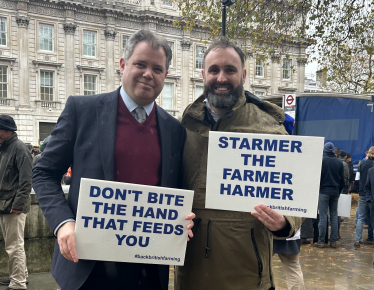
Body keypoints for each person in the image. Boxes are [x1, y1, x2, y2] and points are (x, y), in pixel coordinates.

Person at [32, 29, 195, 290]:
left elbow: (175, 189)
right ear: (122, 65)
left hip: (149, 269)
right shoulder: (81, 110)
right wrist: (64, 224)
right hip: (89, 268)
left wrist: (181, 219)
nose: (148, 74)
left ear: (165, 74)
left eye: (157, 68)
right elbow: (43, 173)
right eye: (140, 64)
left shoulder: (175, 130)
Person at [174, 37, 303, 290]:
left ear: (243, 74)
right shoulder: (182, 127)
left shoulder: (270, 129)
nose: (221, 78)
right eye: (214, 70)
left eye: (230, 70)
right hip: (193, 273)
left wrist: (285, 221)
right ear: (203, 74)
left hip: (249, 276)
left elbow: (295, 197)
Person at [0, 115, 32, 290]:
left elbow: (26, 180)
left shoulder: (18, 148)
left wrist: (18, 205)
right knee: (13, 245)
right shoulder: (6, 147)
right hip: (7, 205)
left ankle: (18, 283)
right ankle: (19, 277)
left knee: (14, 246)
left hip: (13, 207)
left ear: (7, 130)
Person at [313, 142, 344, 248]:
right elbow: (342, 180)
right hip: (335, 192)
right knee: (334, 216)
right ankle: (333, 241)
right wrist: (338, 191)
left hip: (323, 192)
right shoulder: (339, 162)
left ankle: (321, 241)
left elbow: (317, 178)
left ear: (324, 151)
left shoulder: (321, 161)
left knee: (323, 217)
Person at [355, 146, 374, 248]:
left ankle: (357, 240)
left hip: (363, 193)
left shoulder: (361, 165)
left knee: (361, 218)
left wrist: (359, 190)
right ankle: (371, 238)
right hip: (372, 195)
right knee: (372, 217)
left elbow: (356, 180)